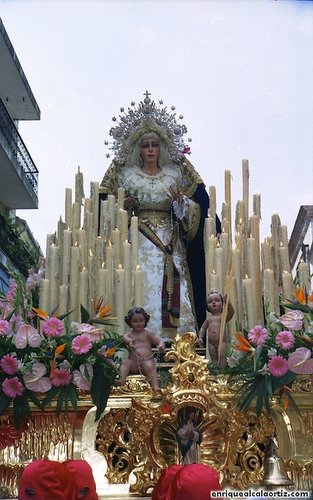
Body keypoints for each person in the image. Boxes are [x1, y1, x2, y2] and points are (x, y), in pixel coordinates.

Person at [100, 91, 221, 339]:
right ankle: (141, 340)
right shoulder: (125, 175)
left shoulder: (176, 174)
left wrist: (182, 204)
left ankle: (181, 341)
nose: (151, 150)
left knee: (177, 284)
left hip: (171, 240)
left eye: (155, 144)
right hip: (139, 239)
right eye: (145, 145)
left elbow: (199, 210)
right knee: (140, 282)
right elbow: (105, 213)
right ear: (138, 149)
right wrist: (124, 209)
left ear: (162, 146)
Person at [117, 307, 165, 391]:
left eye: (141, 320)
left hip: (146, 362)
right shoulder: (129, 334)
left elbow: (160, 341)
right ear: (130, 322)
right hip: (134, 363)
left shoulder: (148, 333)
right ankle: (121, 380)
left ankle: (155, 386)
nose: (138, 323)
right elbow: (124, 338)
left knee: (150, 366)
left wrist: (161, 345)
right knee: (125, 362)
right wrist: (129, 341)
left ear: (145, 321)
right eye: (135, 321)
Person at [198, 291, 234, 369]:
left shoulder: (223, 317)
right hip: (211, 343)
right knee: (213, 357)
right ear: (207, 307)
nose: (214, 303)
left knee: (222, 356)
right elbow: (203, 328)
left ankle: (223, 372)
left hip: (221, 341)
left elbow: (231, 313)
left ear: (222, 304)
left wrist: (228, 303)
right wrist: (200, 337)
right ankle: (216, 372)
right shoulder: (209, 319)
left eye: (217, 300)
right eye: (210, 302)